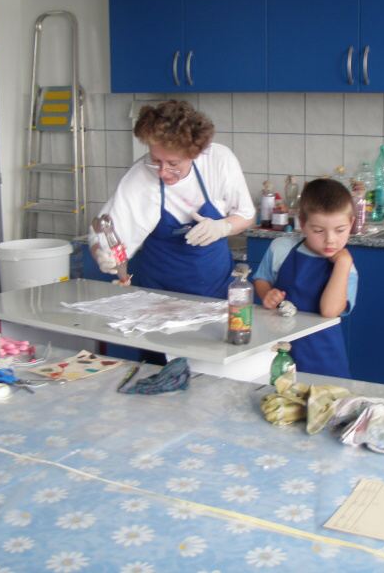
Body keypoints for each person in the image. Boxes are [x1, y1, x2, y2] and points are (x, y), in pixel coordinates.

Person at [89, 100, 255, 299]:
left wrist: (222, 227)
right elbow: (103, 234)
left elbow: (246, 215)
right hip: (158, 295)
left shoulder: (218, 161)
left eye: (173, 163)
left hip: (215, 291)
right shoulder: (139, 177)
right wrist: (101, 254)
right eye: (156, 160)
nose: (162, 172)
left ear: (195, 153)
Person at [253, 178, 358, 378]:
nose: (330, 240)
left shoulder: (346, 268)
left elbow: (329, 311)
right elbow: (261, 279)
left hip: (324, 359)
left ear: (351, 223)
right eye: (318, 231)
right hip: (278, 351)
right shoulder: (281, 248)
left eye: (340, 230)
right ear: (302, 223)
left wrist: (343, 264)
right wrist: (267, 294)